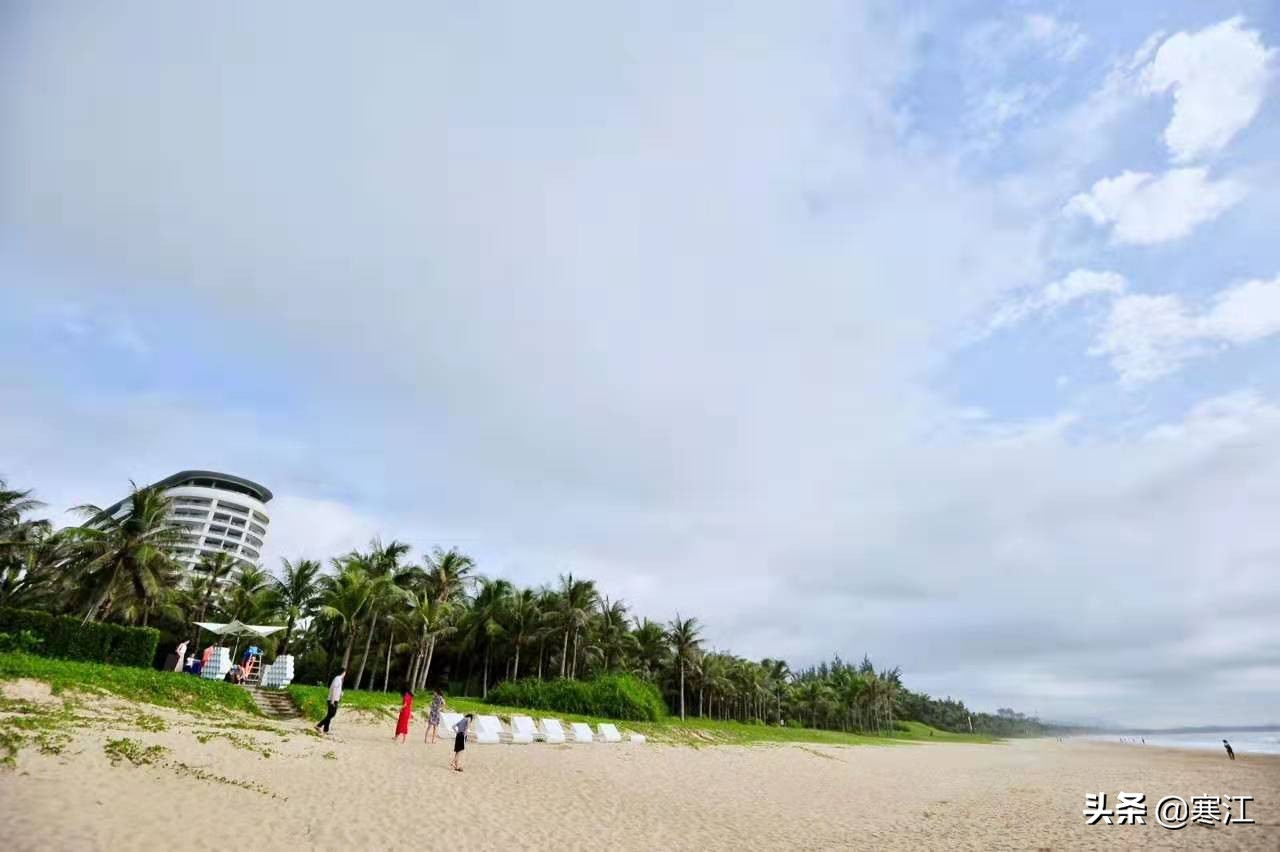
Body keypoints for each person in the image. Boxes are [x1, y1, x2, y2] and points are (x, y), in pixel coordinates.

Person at [316, 669, 345, 735]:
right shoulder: (337, 679)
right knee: (332, 714)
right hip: (333, 700)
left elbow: (336, 689)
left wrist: (341, 693)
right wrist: (332, 701)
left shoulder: (338, 679)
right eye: (345, 673)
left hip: (334, 699)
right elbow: (334, 689)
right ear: (343, 673)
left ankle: (325, 730)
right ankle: (318, 725)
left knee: (329, 714)